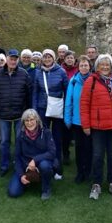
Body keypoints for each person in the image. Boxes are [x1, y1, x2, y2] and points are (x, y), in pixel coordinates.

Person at [81, 54, 112, 200]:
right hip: (98, 126)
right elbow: (84, 104)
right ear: (97, 66)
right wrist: (86, 125)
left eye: (108, 64)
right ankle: (96, 184)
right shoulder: (91, 81)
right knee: (98, 156)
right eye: (102, 64)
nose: (105, 67)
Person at [0, 49, 33, 177]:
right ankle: (4, 165)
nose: (13, 61)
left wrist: (29, 113)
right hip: (3, 115)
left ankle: (19, 165)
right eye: (11, 59)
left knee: (20, 140)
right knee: (4, 142)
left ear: (17, 60)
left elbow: (29, 95)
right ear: (7, 59)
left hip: (20, 115)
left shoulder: (24, 74)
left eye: (15, 59)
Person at [32, 49, 68, 179]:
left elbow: (67, 90)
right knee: (43, 139)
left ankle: (58, 168)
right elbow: (35, 92)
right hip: (42, 109)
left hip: (57, 109)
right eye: (45, 57)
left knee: (57, 139)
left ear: (53, 58)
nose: (47, 59)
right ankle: (45, 165)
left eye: (49, 57)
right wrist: (35, 109)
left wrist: (65, 108)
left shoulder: (61, 72)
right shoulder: (38, 72)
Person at [7, 109, 56, 200]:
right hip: (25, 166)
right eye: (27, 120)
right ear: (23, 122)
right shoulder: (20, 136)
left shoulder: (46, 132)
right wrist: (21, 175)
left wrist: (35, 160)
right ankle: (28, 180)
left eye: (32, 120)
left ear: (37, 120)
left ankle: (46, 188)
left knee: (45, 165)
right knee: (13, 192)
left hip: (42, 163)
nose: (30, 123)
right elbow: (17, 157)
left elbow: (52, 152)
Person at [64, 56, 93, 183]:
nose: (84, 67)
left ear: (90, 67)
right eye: (81, 65)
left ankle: (88, 172)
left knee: (90, 148)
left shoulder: (94, 80)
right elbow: (68, 101)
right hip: (76, 120)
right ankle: (80, 172)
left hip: (91, 121)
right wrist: (67, 119)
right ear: (78, 67)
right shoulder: (74, 81)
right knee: (79, 148)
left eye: (86, 65)